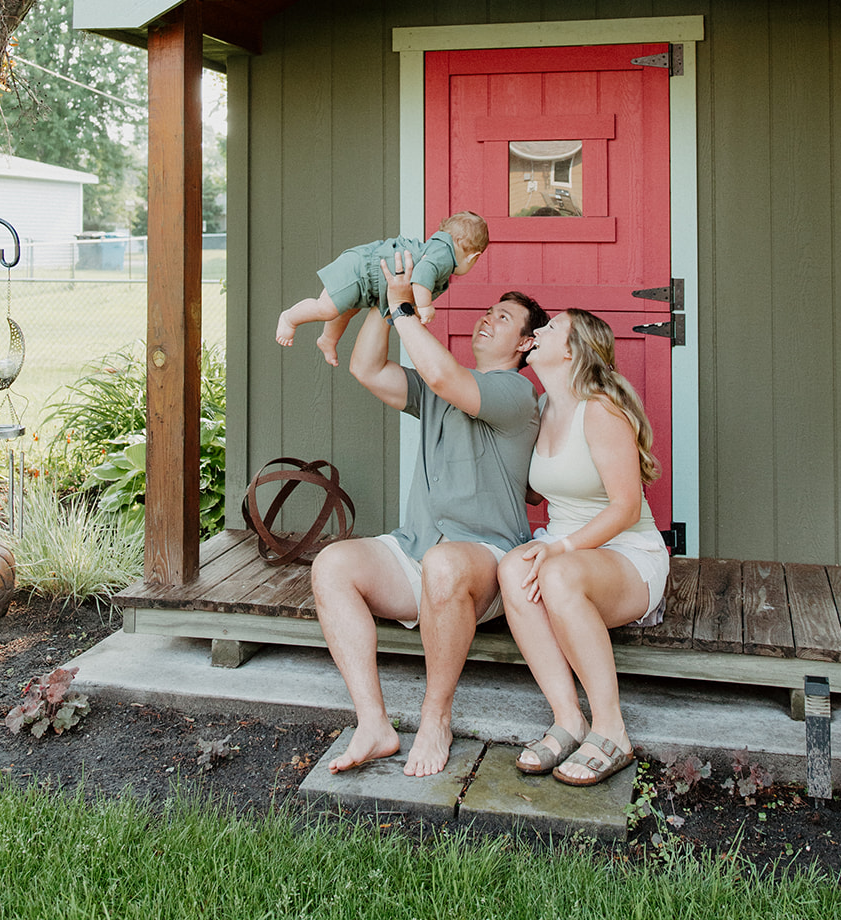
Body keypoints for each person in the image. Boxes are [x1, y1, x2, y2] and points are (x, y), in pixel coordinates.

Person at [310, 251, 548, 778]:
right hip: (416, 548)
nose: (488, 318)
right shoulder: (446, 383)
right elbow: (366, 368)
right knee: (332, 565)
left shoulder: (516, 394)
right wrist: (382, 294)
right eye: (489, 310)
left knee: (443, 565)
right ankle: (373, 724)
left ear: (526, 344)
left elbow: (441, 378)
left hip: (481, 561)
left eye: (504, 317)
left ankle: (435, 717)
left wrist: (405, 310)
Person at [498, 308, 668, 787]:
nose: (538, 332)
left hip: (628, 555)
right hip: (566, 547)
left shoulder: (601, 409)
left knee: (555, 572)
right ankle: (569, 720)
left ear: (571, 350)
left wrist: (562, 549)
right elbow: (539, 488)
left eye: (550, 328)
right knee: (513, 569)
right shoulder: (541, 407)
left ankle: (612, 730)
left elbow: (626, 508)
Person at [276, 211, 489, 365]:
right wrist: (425, 307)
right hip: (363, 269)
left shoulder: (437, 247)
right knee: (326, 308)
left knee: (346, 309)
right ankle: (289, 317)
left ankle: (328, 339)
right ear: (473, 257)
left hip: (370, 277)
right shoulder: (444, 254)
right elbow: (422, 275)